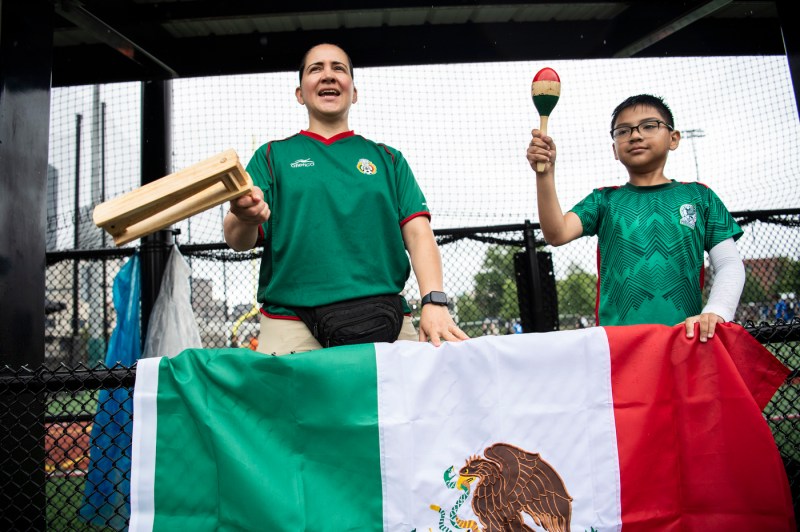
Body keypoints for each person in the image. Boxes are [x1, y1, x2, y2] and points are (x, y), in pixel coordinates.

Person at [224, 43, 468, 355]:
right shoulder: (272, 156)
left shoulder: (389, 159)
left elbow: (420, 235)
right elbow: (237, 239)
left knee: (399, 403)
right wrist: (244, 216)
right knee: (295, 406)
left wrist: (434, 301)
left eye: (338, 68)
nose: (328, 75)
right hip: (291, 322)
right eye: (316, 69)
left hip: (388, 320)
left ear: (354, 92)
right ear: (300, 93)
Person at [526, 94, 745, 342]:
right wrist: (545, 173)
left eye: (649, 126)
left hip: (687, 342)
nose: (635, 135)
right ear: (614, 150)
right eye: (623, 131)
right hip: (618, 347)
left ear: (674, 139)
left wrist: (717, 311)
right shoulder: (603, 201)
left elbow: (729, 264)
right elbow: (557, 233)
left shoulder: (701, 196)